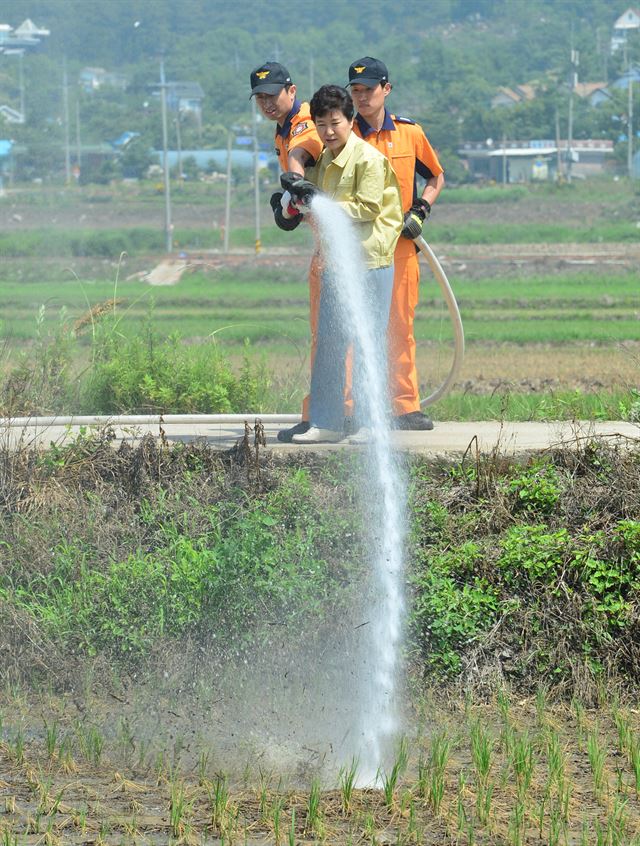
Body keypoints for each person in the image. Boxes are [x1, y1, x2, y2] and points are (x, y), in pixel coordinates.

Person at [280, 85, 403, 444]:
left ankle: (369, 423)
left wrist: (320, 203)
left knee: (368, 341)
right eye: (321, 124)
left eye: (335, 123)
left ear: (351, 120)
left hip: (369, 261)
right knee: (331, 341)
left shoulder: (368, 160)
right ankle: (327, 421)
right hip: (337, 264)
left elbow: (367, 208)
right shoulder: (325, 162)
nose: (329, 131)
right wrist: (290, 204)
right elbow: (310, 206)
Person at [250, 62, 351, 442]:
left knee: (332, 333)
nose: (267, 103)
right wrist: (291, 203)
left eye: (273, 95)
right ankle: (327, 412)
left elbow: (302, 153)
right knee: (326, 331)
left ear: (291, 92)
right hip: (327, 242)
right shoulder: (283, 129)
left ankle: (334, 414)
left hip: (338, 247)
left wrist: (293, 182)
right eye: (260, 98)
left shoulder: (304, 121)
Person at [347, 57, 445, 430]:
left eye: (368, 90)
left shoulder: (409, 134)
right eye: (355, 91)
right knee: (354, 324)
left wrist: (420, 209)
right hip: (359, 246)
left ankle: (404, 407)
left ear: (385, 90)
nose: (361, 97)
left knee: (399, 326)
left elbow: (436, 176)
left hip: (401, 246)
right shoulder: (344, 136)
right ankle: (352, 408)